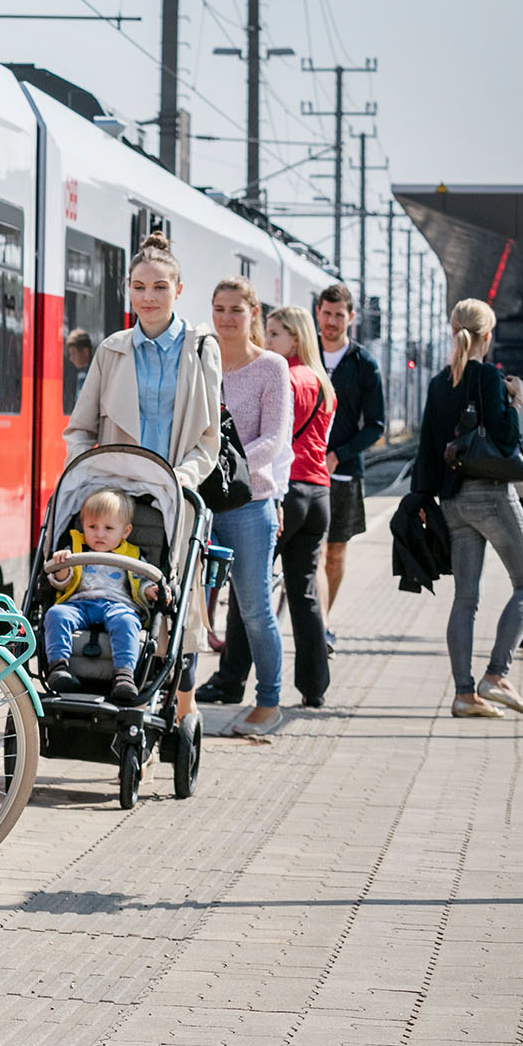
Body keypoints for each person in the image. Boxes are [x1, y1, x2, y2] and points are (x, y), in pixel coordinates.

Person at [63, 231, 225, 718]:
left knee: (176, 607)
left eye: (159, 287)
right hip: (112, 497)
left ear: (179, 289)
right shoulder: (112, 350)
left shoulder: (201, 349)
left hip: (174, 494)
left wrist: (182, 479)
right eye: (138, 287)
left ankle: (181, 710)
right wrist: (87, 475)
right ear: (127, 290)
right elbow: (79, 429)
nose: (148, 297)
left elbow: (208, 440)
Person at [411, 299, 523, 718]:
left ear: (454, 330)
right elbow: (505, 439)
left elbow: (427, 448)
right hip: (491, 495)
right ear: (488, 335)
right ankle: (496, 674)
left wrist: (423, 500)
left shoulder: (438, 383)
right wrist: (515, 403)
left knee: (465, 598)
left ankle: (464, 694)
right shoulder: (488, 377)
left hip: (453, 501)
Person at [200, 277, 293, 735]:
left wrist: (224, 467)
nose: (226, 318)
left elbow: (274, 439)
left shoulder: (272, 367)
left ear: (253, 313)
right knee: (185, 606)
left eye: (236, 309)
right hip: (199, 502)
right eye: (219, 308)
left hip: (249, 504)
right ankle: (177, 698)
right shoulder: (201, 361)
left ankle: (269, 702)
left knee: (254, 608)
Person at [266, 305, 336, 706]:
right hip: (318, 494)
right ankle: (314, 688)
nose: (267, 340)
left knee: (252, 584)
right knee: (305, 594)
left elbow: (275, 439)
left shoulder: (285, 379)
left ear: (295, 337)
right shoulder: (323, 383)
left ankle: (232, 676)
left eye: (275, 334)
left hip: (287, 491)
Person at [41, 489, 164, 705]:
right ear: (83, 526)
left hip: (118, 604)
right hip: (79, 603)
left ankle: (124, 674)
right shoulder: (74, 550)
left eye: (108, 528)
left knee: (127, 621)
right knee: (56, 614)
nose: (99, 534)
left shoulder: (134, 555)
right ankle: (58, 667)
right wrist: (62, 567)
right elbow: (61, 583)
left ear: (125, 531)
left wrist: (149, 590)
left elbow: (142, 581)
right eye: (92, 527)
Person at [313, 282, 385, 623]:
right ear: (318, 312)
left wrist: (338, 455)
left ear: (351, 317)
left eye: (338, 315)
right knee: (309, 553)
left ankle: (323, 622)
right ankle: (313, 622)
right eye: (326, 313)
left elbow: (376, 425)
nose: (331, 321)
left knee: (335, 553)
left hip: (343, 473)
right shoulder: (305, 352)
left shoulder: (363, 363)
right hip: (303, 471)